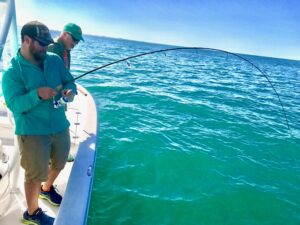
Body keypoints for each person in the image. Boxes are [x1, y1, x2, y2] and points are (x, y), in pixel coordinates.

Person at [2, 21, 76, 225]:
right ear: (26, 40)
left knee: (61, 161)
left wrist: (70, 93)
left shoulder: (53, 60)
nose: (46, 48)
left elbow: (69, 81)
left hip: (59, 124)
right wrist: (37, 94)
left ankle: (47, 189)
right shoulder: (12, 73)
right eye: (41, 44)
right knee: (35, 174)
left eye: (47, 43)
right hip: (33, 130)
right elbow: (15, 105)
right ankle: (32, 213)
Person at [47, 23, 83, 162]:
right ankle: (54, 155)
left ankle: (56, 153)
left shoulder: (66, 51)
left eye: (78, 41)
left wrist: (69, 87)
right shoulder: (53, 48)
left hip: (59, 95)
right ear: (65, 34)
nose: (76, 43)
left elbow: (65, 74)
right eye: (74, 39)